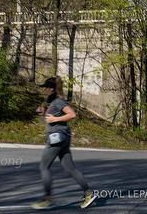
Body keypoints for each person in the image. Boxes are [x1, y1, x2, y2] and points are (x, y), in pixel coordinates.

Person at [32, 76, 96, 210]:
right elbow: (53, 115)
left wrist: (55, 119)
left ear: (51, 89)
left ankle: (47, 198)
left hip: (57, 138)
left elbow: (72, 114)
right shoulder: (51, 101)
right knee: (70, 168)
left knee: (44, 166)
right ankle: (88, 193)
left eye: (45, 88)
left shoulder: (58, 101)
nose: (44, 90)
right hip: (63, 137)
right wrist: (43, 112)